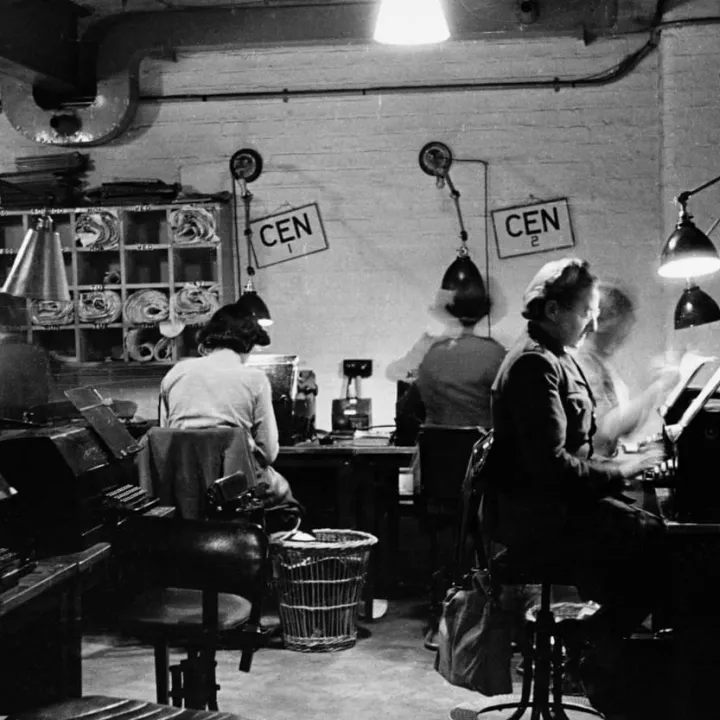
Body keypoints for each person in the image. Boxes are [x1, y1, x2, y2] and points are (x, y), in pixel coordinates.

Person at [483, 258, 667, 714]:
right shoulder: (533, 364)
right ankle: (590, 650)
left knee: (653, 536)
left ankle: (594, 648)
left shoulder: (554, 356)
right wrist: (623, 471)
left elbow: (579, 449)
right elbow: (552, 467)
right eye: (586, 310)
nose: (593, 322)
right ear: (552, 311)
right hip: (537, 520)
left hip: (550, 508)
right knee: (662, 542)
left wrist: (623, 463)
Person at [159, 304, 301, 524]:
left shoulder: (174, 373)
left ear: (209, 339)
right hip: (235, 489)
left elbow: (164, 439)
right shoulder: (255, 379)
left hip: (183, 489)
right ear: (248, 344)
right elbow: (269, 452)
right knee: (288, 505)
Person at [576, 282, 679, 458]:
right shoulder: (583, 363)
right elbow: (605, 430)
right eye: (623, 325)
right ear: (602, 322)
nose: (625, 334)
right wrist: (657, 387)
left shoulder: (601, 362)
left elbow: (624, 429)